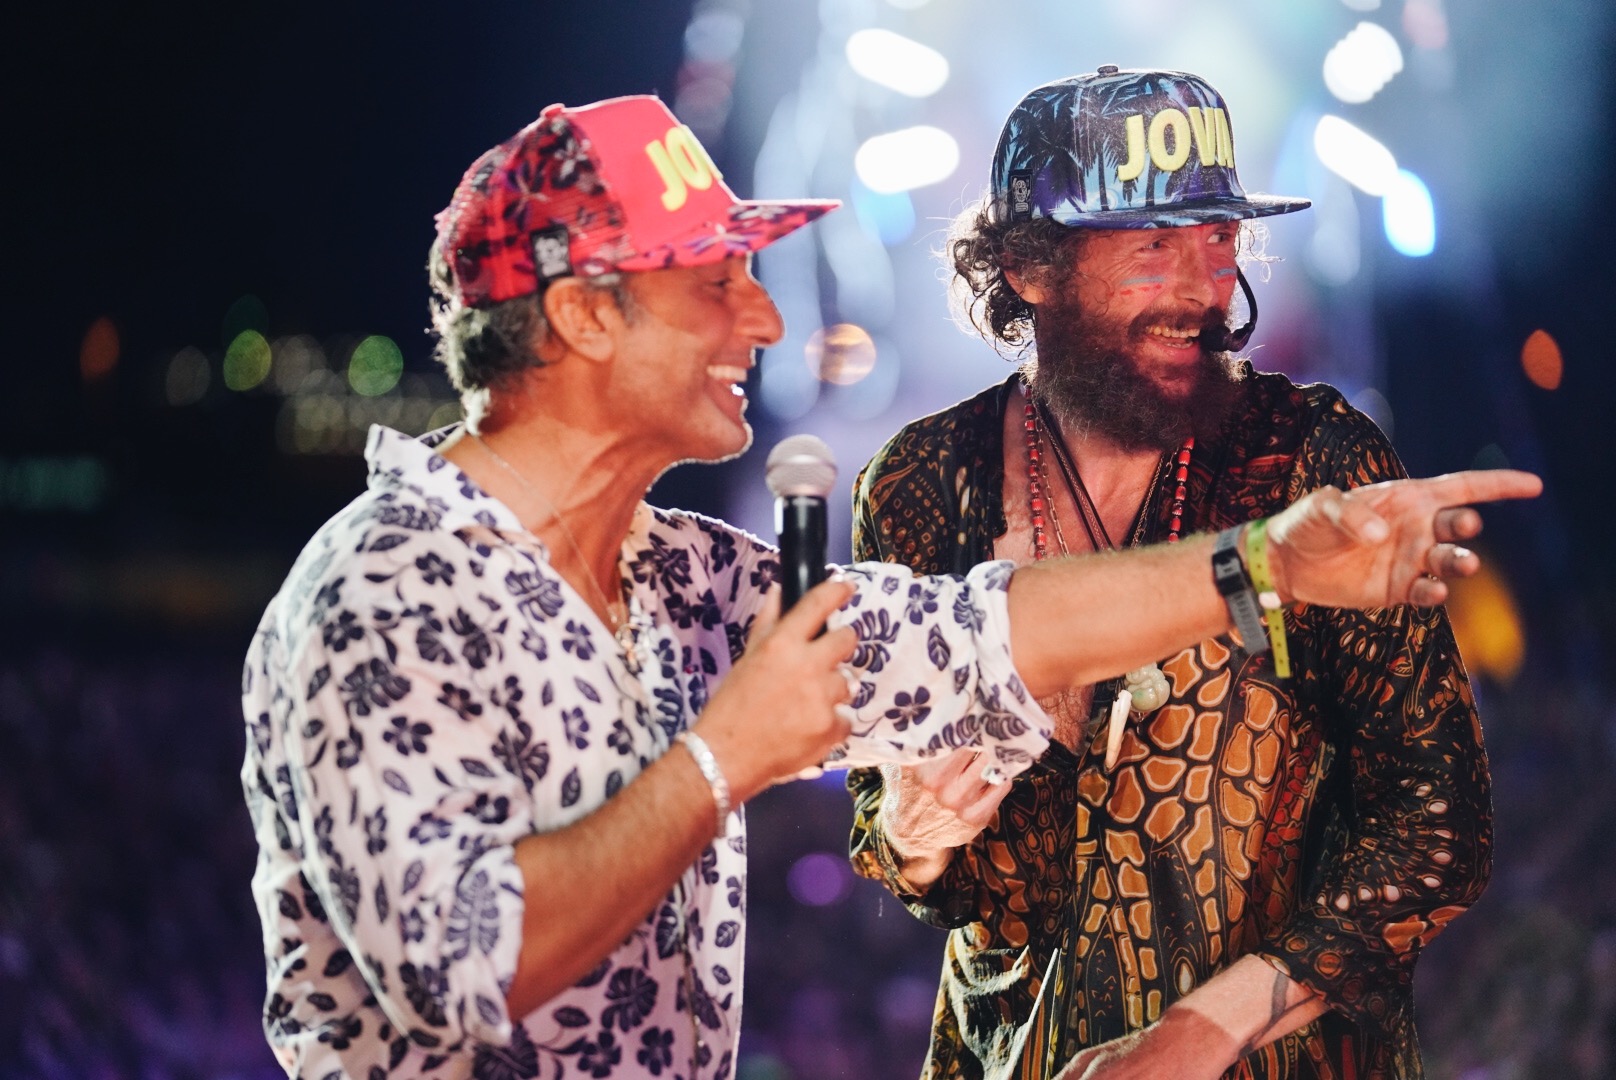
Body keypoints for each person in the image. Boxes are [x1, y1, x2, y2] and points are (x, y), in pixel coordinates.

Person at [240, 93, 1536, 1079]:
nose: (764, 321)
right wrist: (732, 760)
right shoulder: (383, 597)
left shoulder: (683, 574)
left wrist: (1261, 564)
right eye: (717, 283)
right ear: (583, 316)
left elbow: (973, 634)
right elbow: (466, 971)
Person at [847, 66, 1506, 1080]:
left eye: (1218, 237)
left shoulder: (1308, 463)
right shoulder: (921, 483)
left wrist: (1203, 1030)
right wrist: (912, 832)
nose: (1201, 287)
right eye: (1153, 246)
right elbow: (899, 837)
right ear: (1027, 267)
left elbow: (1435, 823)